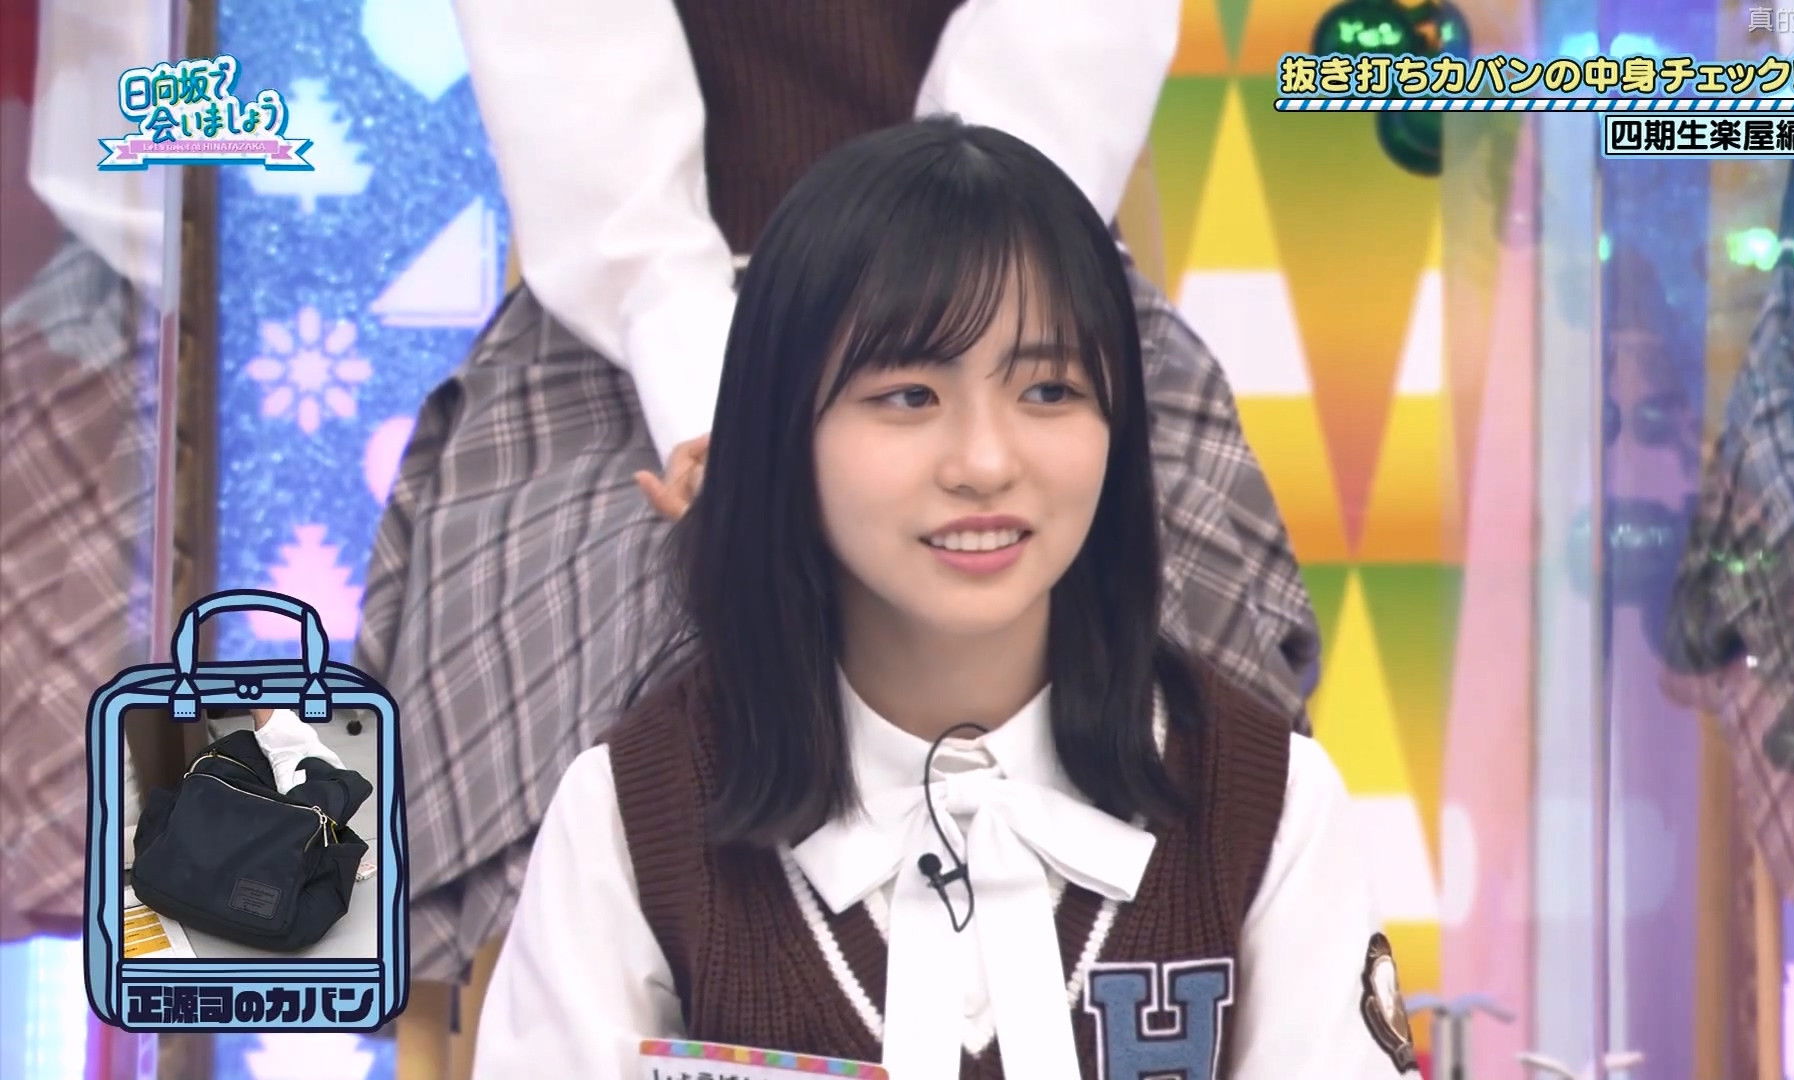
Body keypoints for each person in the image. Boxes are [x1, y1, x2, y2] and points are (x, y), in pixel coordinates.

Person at [357, 0, 1322, 1003]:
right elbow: (582, 115)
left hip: (1024, 262)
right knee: (610, 598)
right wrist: (732, 416)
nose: (982, 467)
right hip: (650, 303)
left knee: (1173, 563)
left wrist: (971, 303)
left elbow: (1061, 62)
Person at [470, 119, 1409, 1080]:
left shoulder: (1268, 804)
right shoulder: (631, 817)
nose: (985, 463)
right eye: (910, 396)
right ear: (781, 430)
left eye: (1049, 391)